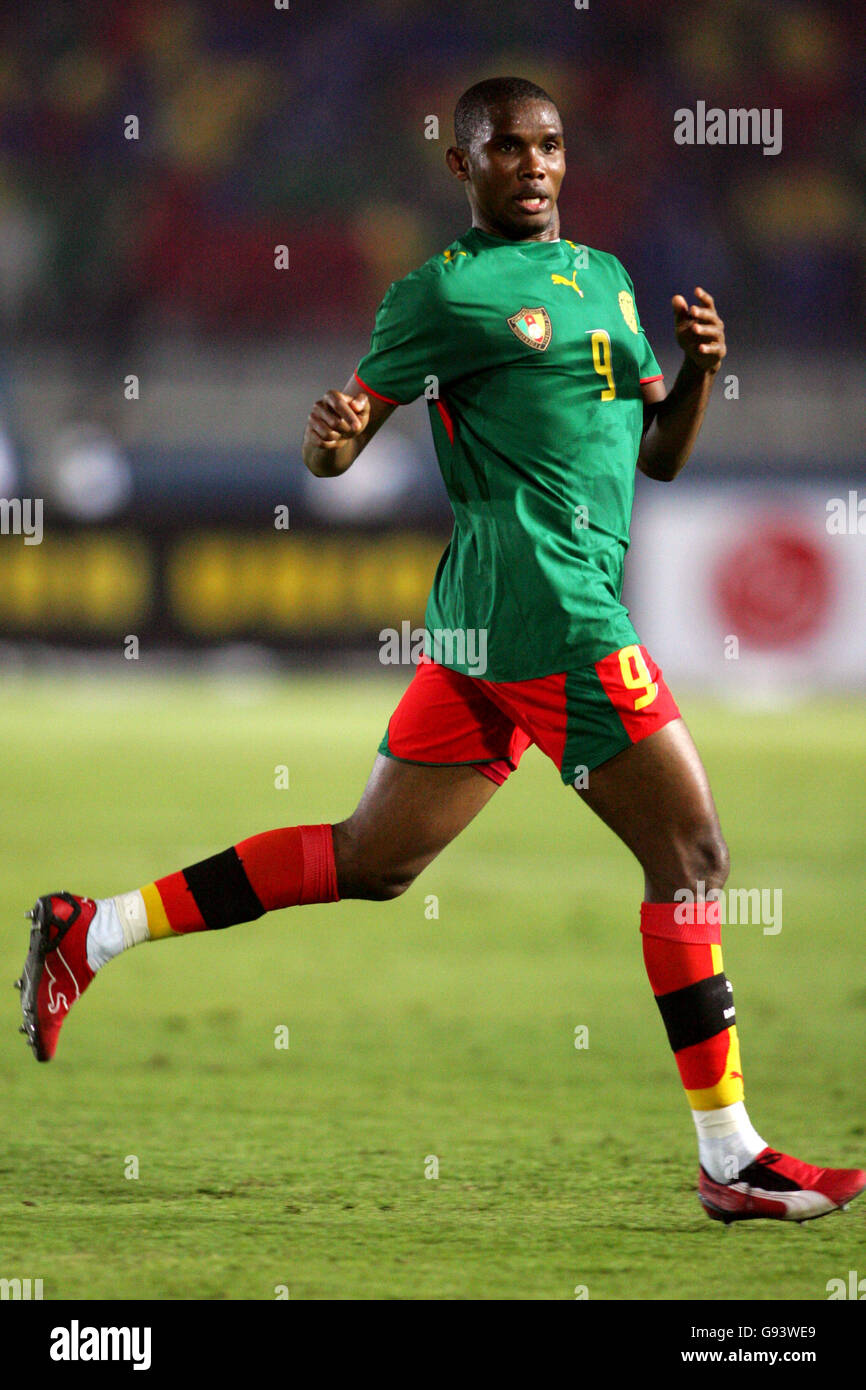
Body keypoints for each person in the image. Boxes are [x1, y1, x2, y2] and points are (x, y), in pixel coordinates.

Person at [18, 76, 863, 1225]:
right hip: (549, 613)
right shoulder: (441, 294)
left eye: (549, 145)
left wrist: (700, 370)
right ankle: (730, 1155)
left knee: (372, 858)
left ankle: (96, 928)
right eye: (507, 147)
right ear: (462, 166)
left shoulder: (608, 279)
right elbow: (341, 446)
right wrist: (327, 445)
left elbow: (657, 456)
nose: (534, 164)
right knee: (694, 856)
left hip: (482, 626)